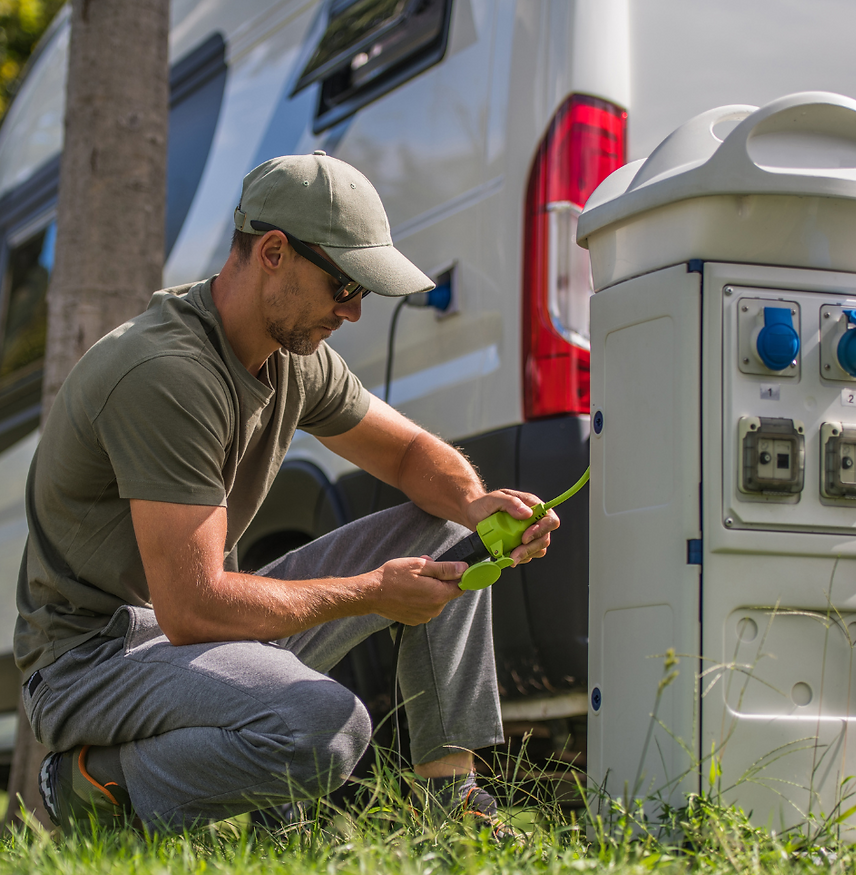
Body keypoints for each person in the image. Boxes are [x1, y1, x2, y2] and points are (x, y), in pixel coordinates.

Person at [16, 152, 558, 834]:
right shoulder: (167, 374)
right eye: (344, 285)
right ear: (274, 251)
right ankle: (92, 786)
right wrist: (373, 592)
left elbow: (410, 451)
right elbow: (192, 608)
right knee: (327, 726)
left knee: (449, 531)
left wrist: (477, 504)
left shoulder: (292, 357)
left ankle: (453, 818)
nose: (355, 312)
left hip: (189, 639)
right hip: (94, 660)